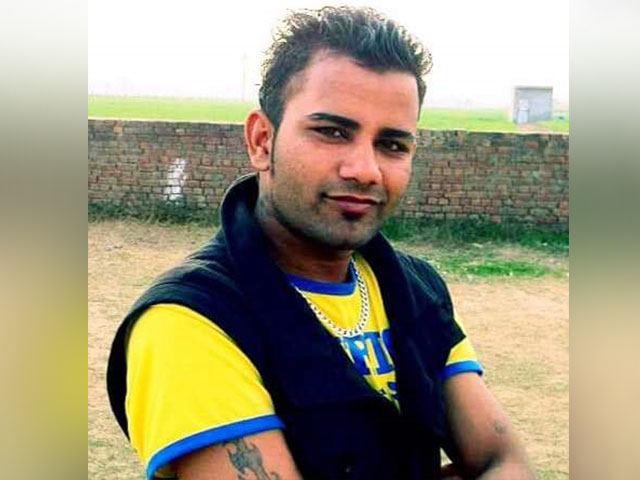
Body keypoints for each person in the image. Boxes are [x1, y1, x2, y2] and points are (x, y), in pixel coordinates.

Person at [107, 6, 535, 480]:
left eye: (392, 145)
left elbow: (506, 461)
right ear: (261, 140)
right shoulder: (192, 320)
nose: (365, 170)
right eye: (332, 132)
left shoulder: (416, 287)